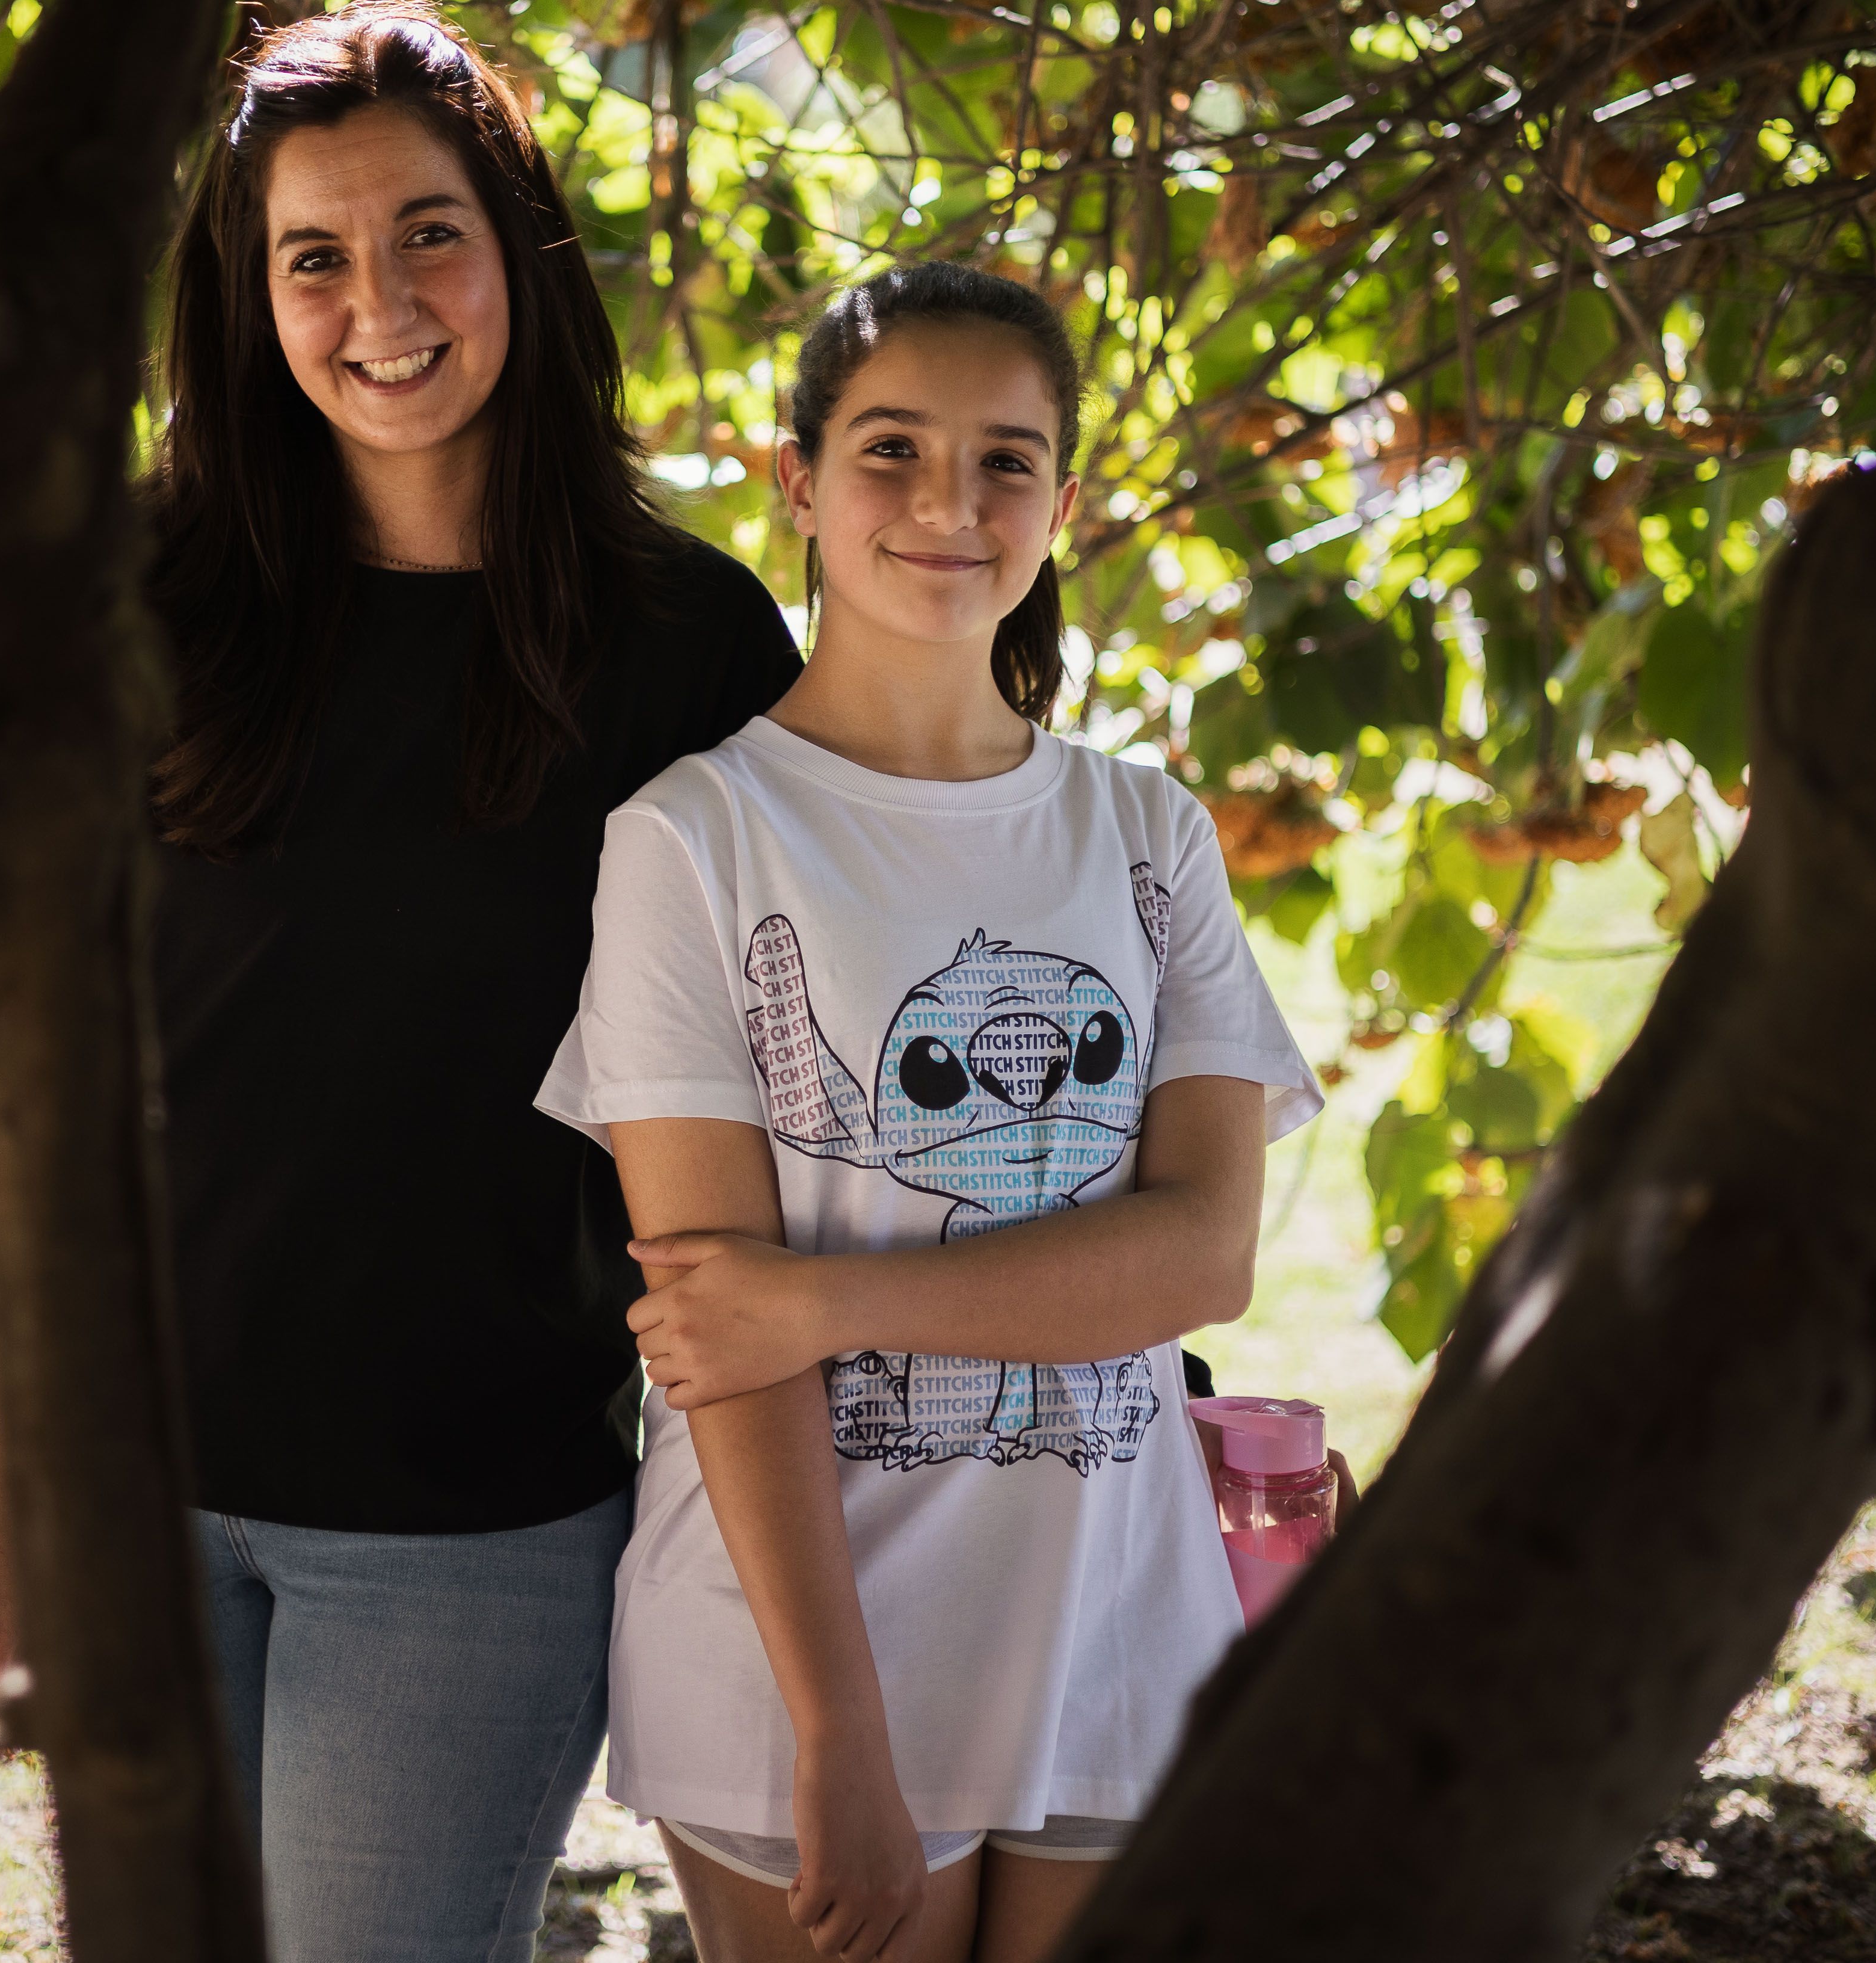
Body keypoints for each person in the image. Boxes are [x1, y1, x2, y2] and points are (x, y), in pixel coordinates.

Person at [0, 0, 801, 1963]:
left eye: (429, 232)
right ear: (250, 295)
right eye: (314, 255)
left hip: (466, 1532)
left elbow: (805, 1086)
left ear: (521, 254)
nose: (379, 300)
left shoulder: (686, 643)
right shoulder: (131, 602)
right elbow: (12, 1085)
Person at [535, 263, 1322, 1963]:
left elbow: (1202, 1254)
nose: (950, 506)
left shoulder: (1146, 835)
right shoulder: (694, 840)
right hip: (795, 1651)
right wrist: (838, 1733)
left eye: (1007, 460)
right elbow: (710, 1326)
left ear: (1066, 499)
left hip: (1120, 1624)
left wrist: (828, 1300)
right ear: (796, 479)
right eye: (891, 449)